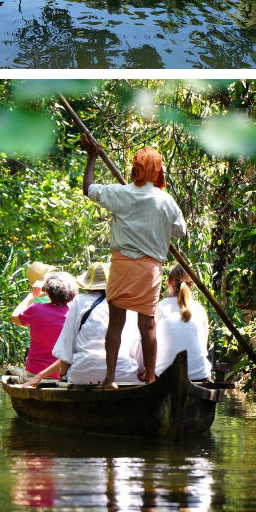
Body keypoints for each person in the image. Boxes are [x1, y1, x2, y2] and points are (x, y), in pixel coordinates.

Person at [81, 136, 186, 387]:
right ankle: (150, 378)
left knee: (116, 323)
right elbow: (180, 231)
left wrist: (93, 157)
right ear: (158, 172)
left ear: (134, 170)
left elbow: (88, 188)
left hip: (122, 266)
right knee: (146, 325)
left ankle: (110, 379)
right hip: (149, 269)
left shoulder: (120, 193)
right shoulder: (166, 201)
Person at [23, 261, 141, 386]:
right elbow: (136, 343)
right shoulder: (126, 302)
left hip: (82, 374)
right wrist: (140, 371)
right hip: (123, 374)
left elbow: (67, 345)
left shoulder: (79, 300)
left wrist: (62, 376)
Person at [136, 264, 212, 381]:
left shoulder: (157, 308)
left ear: (168, 282)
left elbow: (146, 344)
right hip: (199, 376)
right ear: (191, 286)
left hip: (164, 377)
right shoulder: (200, 309)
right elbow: (203, 346)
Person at [11, 270, 78, 378]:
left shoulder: (36, 309)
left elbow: (14, 318)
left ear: (47, 291)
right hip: (63, 374)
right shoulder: (75, 314)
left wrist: (32, 295)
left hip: (34, 372)